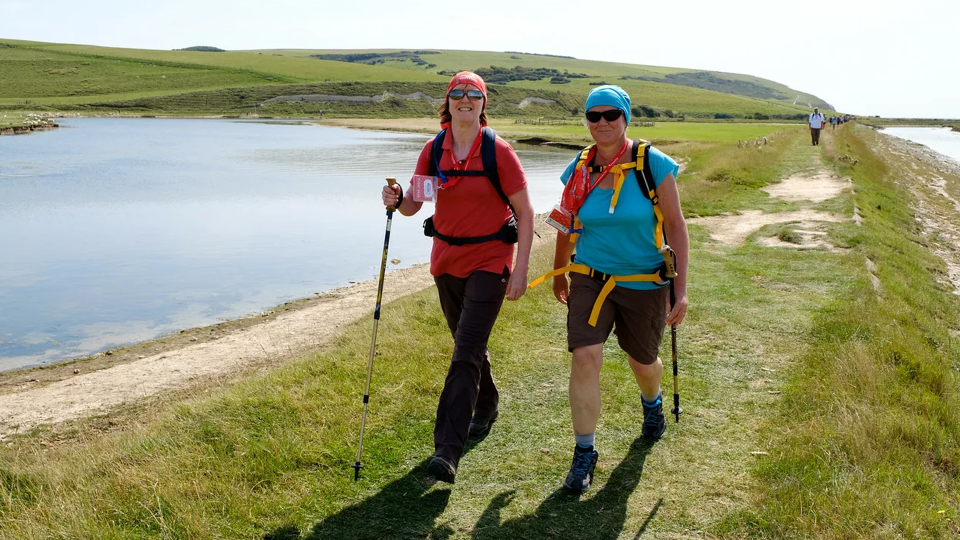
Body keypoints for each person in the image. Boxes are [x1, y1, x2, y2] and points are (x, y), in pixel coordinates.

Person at [380, 71, 535, 484]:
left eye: (474, 94)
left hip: (491, 259)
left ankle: (447, 451)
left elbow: (526, 211)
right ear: (447, 103)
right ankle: (487, 407)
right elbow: (416, 204)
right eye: (457, 94)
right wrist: (398, 199)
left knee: (465, 351)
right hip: (446, 260)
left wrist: (520, 269)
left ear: (484, 104)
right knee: (468, 345)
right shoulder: (434, 150)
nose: (465, 100)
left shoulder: (498, 151)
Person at [536, 85, 689, 492]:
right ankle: (584, 452)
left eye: (610, 115)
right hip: (591, 275)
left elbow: (676, 226)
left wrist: (682, 290)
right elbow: (567, 222)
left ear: (625, 119)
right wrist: (560, 272)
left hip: (644, 279)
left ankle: (651, 404)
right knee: (585, 357)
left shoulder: (652, 164)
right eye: (593, 116)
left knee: (643, 362)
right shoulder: (580, 167)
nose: (601, 123)